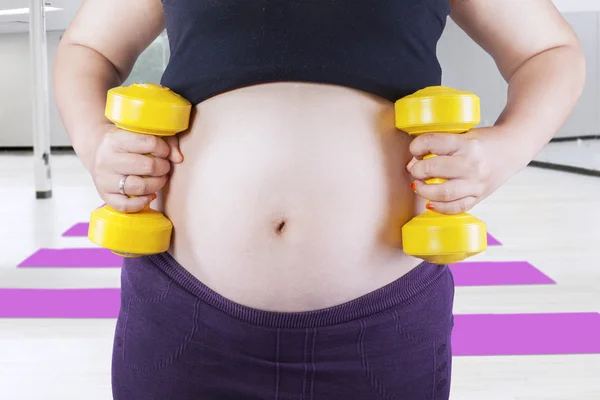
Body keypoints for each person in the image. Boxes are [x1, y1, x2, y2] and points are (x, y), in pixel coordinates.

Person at [53, 0, 585, 398]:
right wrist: (96, 140)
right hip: (184, 315)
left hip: (380, 325)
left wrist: (503, 150)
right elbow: (88, 48)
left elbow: (548, 51)